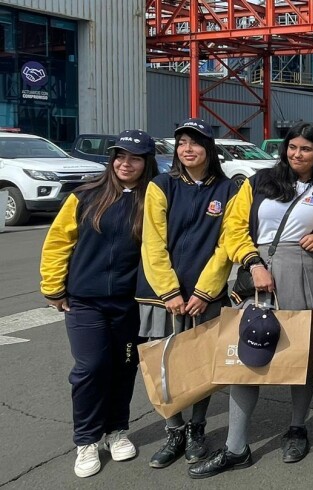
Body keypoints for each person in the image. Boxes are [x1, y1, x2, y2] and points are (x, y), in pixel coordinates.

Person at [187, 122, 313, 478]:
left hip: (302, 273)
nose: (297, 154)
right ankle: (236, 446)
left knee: (299, 354)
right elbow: (233, 228)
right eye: (292, 147)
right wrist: (253, 263)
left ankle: (297, 427)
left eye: (306, 149)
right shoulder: (259, 181)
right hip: (256, 273)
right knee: (246, 356)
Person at [40, 130, 159, 478]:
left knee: (124, 367)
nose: (126, 163)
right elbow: (59, 242)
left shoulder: (151, 200)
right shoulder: (86, 195)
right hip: (85, 301)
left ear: (146, 163)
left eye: (135, 158)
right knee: (91, 368)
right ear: (112, 159)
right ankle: (87, 439)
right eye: (120, 156)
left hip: (129, 302)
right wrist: (53, 287)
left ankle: (116, 431)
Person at [137, 118, 237, 469]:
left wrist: (205, 291)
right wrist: (169, 292)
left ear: (210, 148)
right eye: (181, 143)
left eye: (195, 142)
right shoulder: (161, 185)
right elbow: (153, 243)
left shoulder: (228, 190)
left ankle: (197, 428)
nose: (187, 149)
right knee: (165, 364)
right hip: (162, 295)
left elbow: (226, 245)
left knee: (200, 364)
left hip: (205, 296)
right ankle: (173, 429)